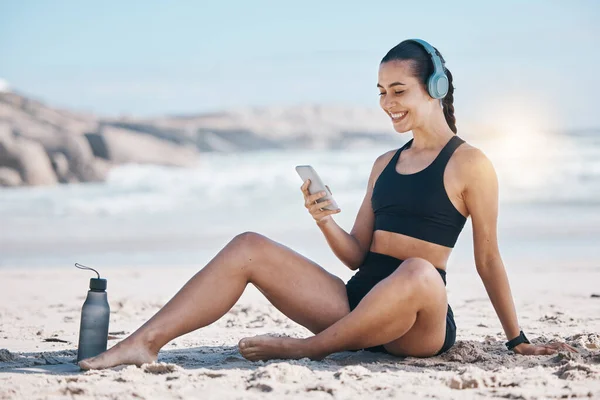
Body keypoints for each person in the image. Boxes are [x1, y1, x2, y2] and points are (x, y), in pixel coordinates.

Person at [79, 39, 575, 370]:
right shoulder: (384, 163)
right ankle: (143, 343)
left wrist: (517, 340)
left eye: (398, 90)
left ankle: (308, 349)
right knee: (247, 245)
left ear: (437, 88)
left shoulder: (471, 164)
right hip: (354, 309)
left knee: (421, 271)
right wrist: (323, 220)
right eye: (381, 92)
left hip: (416, 324)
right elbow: (358, 255)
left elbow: (487, 257)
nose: (388, 103)